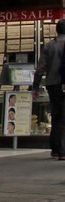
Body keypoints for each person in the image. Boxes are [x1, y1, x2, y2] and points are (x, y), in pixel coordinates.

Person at [38, 19, 65, 160]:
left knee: (56, 116)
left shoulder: (49, 46)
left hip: (52, 83)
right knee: (63, 117)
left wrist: (35, 86)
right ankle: (62, 150)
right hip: (63, 83)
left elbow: (40, 68)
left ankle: (55, 148)